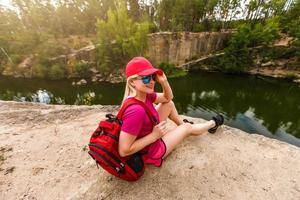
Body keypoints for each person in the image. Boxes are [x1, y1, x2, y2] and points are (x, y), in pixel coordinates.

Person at [118, 57, 224, 167]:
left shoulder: (143, 96)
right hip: (150, 150)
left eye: (153, 77)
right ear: (132, 82)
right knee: (187, 128)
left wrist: (164, 82)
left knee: (169, 104)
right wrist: (154, 136)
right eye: (145, 78)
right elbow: (124, 150)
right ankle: (213, 124)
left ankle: (183, 127)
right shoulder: (136, 111)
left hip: (149, 134)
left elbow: (167, 98)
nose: (151, 82)